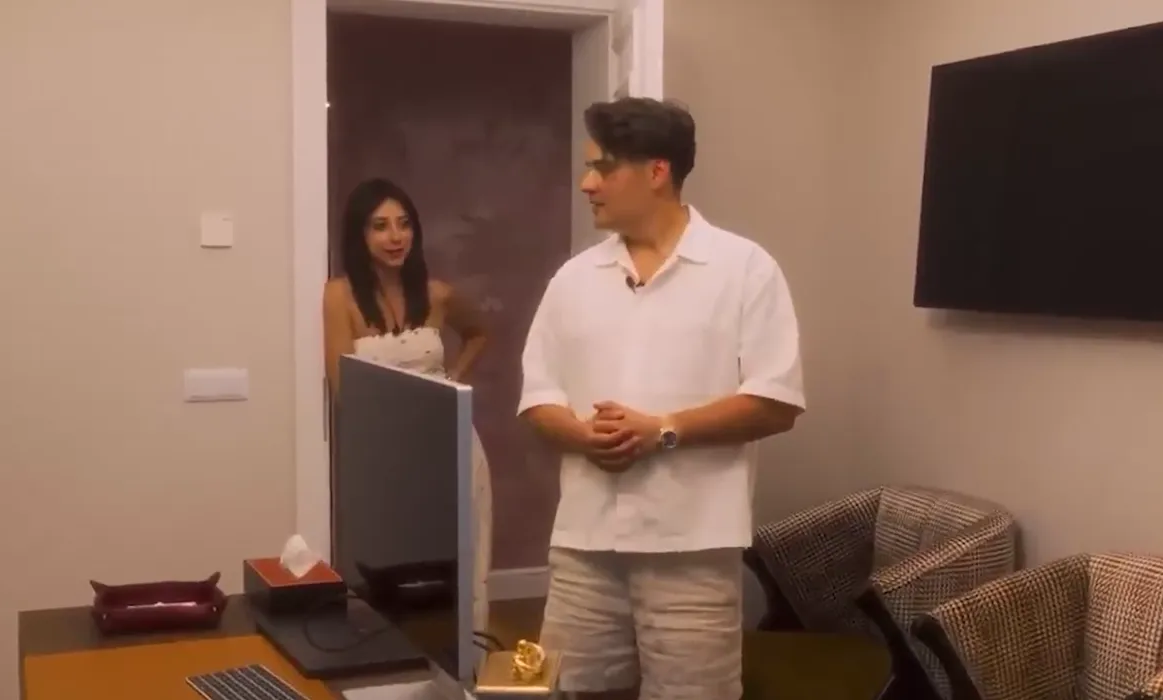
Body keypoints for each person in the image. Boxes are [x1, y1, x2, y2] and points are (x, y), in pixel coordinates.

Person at [518, 98, 806, 700]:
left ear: (657, 171)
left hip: (692, 549)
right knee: (568, 691)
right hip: (584, 546)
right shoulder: (573, 279)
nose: (587, 183)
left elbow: (776, 400)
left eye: (602, 167)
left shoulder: (745, 270)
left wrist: (664, 430)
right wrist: (582, 436)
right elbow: (538, 399)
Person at [322, 177, 493, 635]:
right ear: (359, 234)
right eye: (380, 226)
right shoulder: (339, 296)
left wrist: (452, 378)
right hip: (387, 458)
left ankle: (468, 666)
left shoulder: (437, 293)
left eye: (403, 224)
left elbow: (479, 332)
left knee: (463, 565)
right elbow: (344, 391)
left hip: (451, 446)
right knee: (393, 579)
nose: (395, 236)